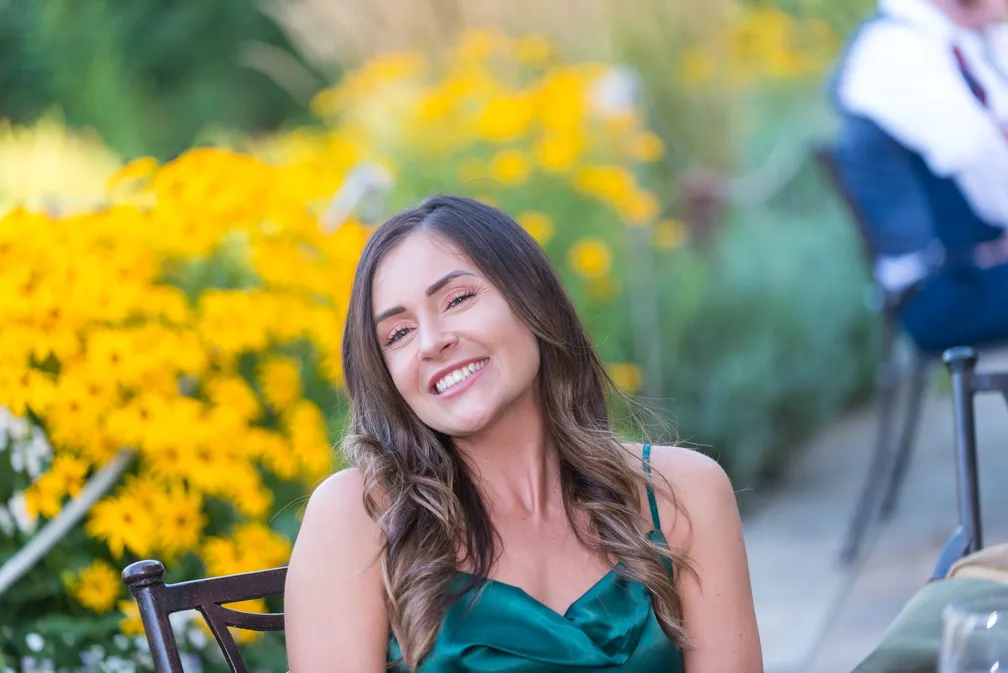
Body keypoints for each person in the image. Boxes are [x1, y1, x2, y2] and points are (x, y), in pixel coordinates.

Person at [283, 195, 762, 672]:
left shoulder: (682, 494)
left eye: (457, 300)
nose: (431, 342)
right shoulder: (358, 518)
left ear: (531, 300)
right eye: (398, 334)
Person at [829, 0, 1008, 353]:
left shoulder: (962, 38)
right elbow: (987, 168)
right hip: (942, 289)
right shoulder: (894, 50)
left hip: (978, 268)